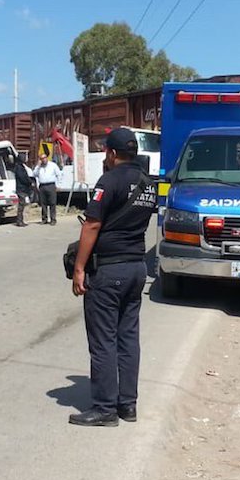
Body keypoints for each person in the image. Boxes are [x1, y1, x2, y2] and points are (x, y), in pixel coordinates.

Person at [69, 128, 158, 426]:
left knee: (103, 340)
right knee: (128, 337)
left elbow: (92, 225)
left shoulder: (109, 180)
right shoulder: (149, 183)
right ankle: (127, 405)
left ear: (111, 153)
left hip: (109, 270)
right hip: (136, 268)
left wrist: (79, 268)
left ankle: (105, 409)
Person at [34, 151, 60, 225]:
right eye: (42, 158)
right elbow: (34, 174)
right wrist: (38, 166)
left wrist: (58, 185)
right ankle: (44, 219)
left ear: (47, 158)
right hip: (42, 186)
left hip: (51, 185)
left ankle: (53, 219)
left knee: (52, 203)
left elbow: (59, 175)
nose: (43, 160)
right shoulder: (39, 167)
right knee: (43, 204)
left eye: (45, 158)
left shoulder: (53, 165)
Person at [10, 153, 33, 227]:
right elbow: (22, 177)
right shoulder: (19, 167)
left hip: (22, 188)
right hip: (21, 189)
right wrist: (29, 182)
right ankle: (19, 221)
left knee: (22, 205)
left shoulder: (20, 166)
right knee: (21, 205)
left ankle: (20, 220)